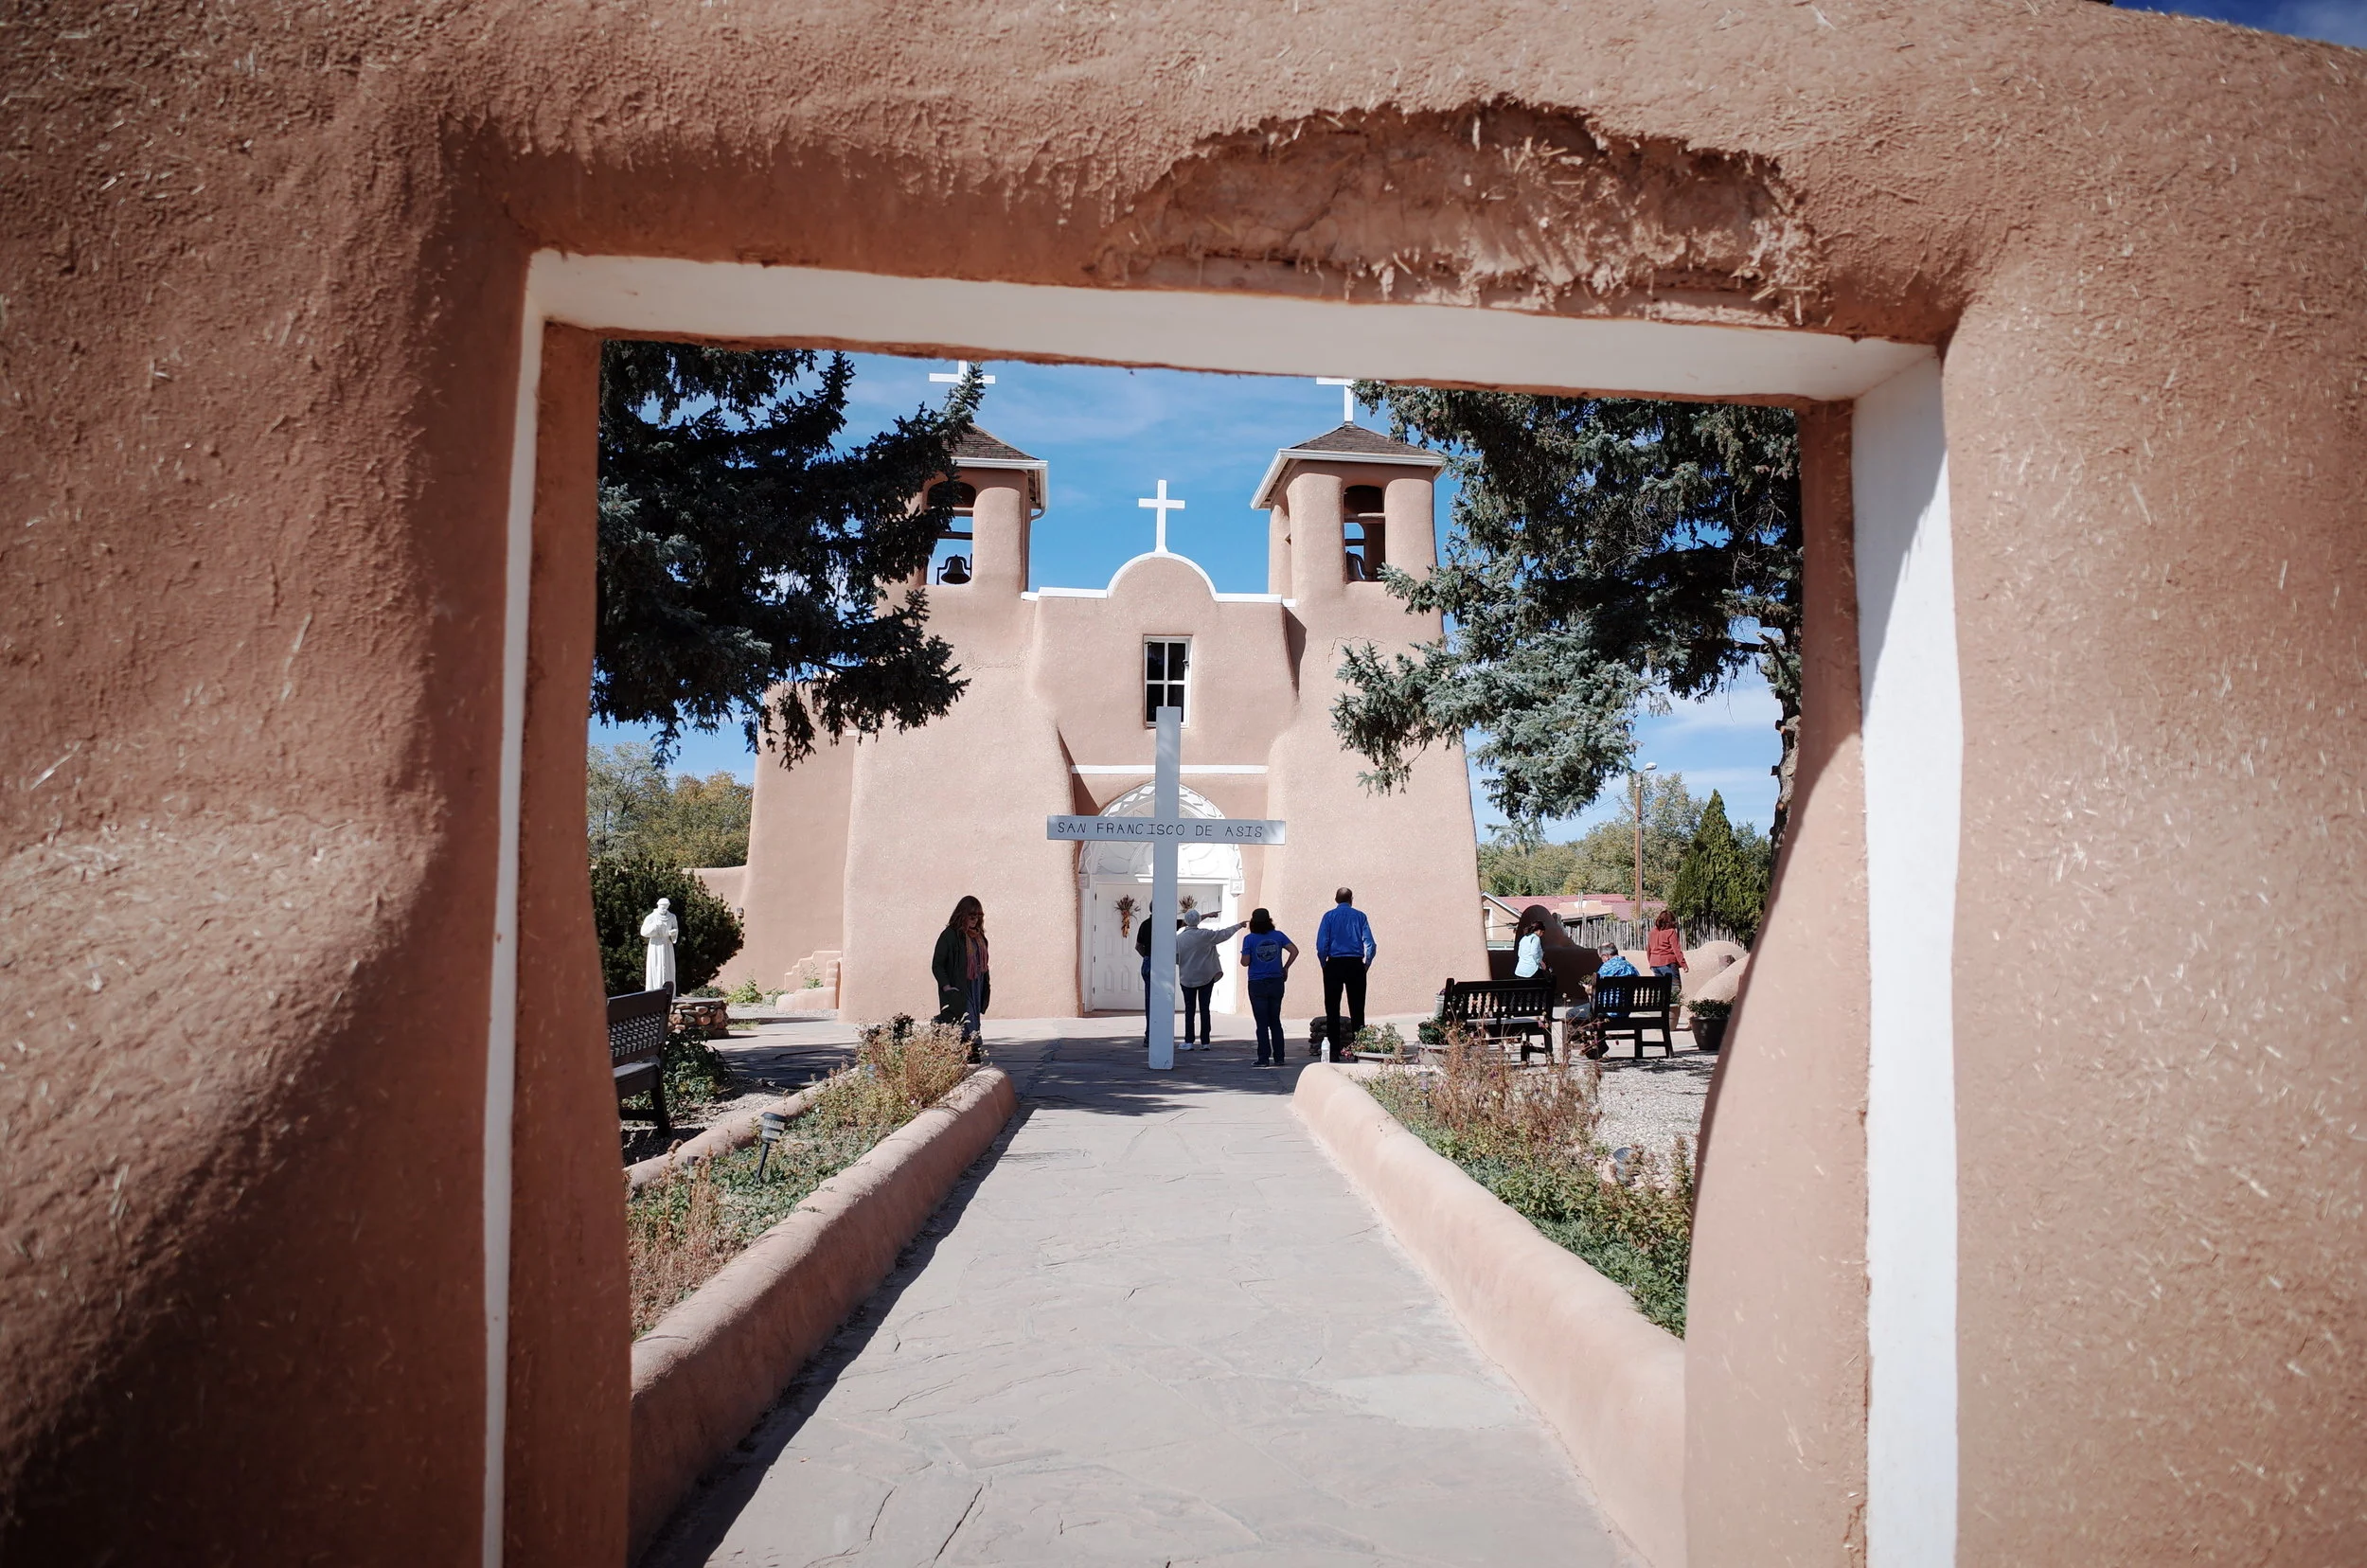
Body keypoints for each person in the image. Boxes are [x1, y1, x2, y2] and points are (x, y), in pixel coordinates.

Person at [1174, 909, 1246, 1049]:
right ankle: (1205, 1042)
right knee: (1205, 1008)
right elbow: (1224, 934)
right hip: (1206, 976)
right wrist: (1239, 925)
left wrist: (1184, 962)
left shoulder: (1179, 939)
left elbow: (1176, 957)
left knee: (1189, 1009)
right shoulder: (1206, 935)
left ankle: (1189, 1041)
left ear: (1186, 921)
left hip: (1187, 977)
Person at [1314, 886, 1376, 1051]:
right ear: (1351, 899)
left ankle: (1333, 1051)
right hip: (1355, 963)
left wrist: (1324, 963)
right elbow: (1370, 944)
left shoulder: (1328, 917)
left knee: (1332, 1009)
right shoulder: (1360, 916)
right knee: (1357, 1009)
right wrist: (1366, 965)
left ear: (1336, 900)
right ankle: (1359, 1049)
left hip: (1334, 963)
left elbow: (1322, 944)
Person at [1238, 908, 1298, 1066]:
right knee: (1275, 1021)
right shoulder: (1278, 936)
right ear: (1269, 921)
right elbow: (1294, 950)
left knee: (1262, 1023)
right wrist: (1285, 967)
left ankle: (1263, 1058)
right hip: (1276, 981)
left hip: (1257, 983)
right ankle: (1279, 1057)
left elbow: (1245, 962)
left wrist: (1247, 955)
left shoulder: (1249, 939)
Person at [932, 896, 990, 1054]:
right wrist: (947, 987)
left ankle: (971, 1049)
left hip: (976, 986)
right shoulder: (950, 936)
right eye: (971, 915)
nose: (974, 919)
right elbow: (937, 964)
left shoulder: (980, 937)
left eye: (978, 915)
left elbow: (985, 966)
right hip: (959, 987)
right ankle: (972, 1050)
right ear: (961, 915)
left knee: (972, 1021)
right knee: (964, 1021)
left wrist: (986, 987)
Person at [639, 897, 679, 994]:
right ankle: (655, 991)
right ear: (658, 905)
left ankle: (669, 992)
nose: (664, 908)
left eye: (666, 906)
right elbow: (643, 932)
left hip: (667, 945)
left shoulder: (672, 917)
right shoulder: (651, 917)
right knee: (656, 966)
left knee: (668, 967)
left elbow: (676, 929)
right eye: (662, 906)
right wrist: (654, 928)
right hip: (656, 945)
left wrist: (673, 933)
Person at [1646, 910, 1688, 991]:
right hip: (1668, 963)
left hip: (1655, 963)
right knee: (1675, 989)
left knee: (1661, 989)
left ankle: (1662, 1003)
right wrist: (1684, 965)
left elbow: (1649, 949)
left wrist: (1651, 962)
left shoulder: (1652, 932)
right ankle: (1672, 1003)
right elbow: (1676, 950)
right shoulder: (1671, 932)